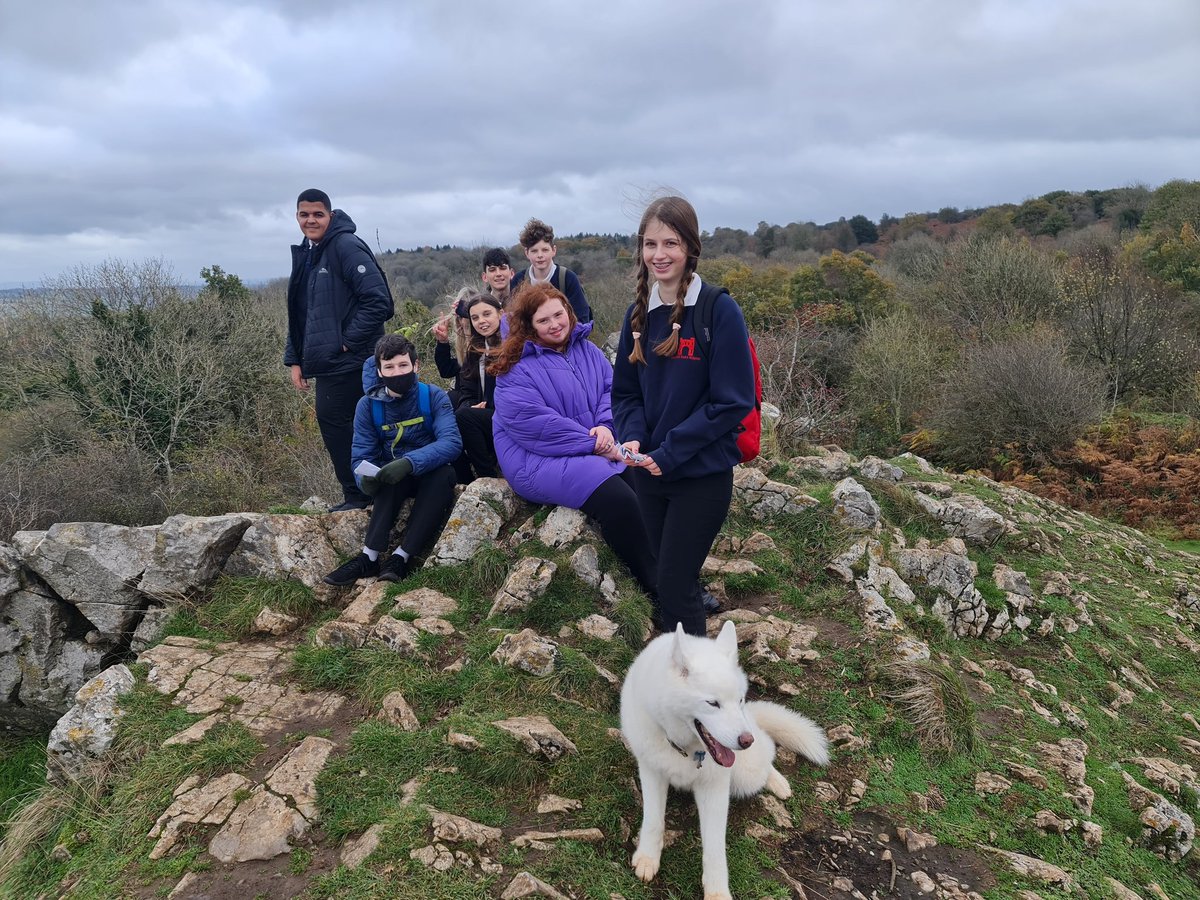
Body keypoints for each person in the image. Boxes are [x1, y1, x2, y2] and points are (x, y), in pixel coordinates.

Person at [611, 196, 756, 636]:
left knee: (673, 584)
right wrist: (634, 436)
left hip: (701, 475)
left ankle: (699, 695)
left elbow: (733, 401)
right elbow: (625, 392)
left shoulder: (718, 310)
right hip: (648, 475)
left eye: (670, 243)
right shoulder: (637, 316)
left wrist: (671, 451)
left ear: (691, 246)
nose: (659, 254)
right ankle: (689, 680)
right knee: (672, 582)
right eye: (650, 244)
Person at [490, 283, 656, 596]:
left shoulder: (588, 350)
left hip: (595, 446)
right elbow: (534, 424)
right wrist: (595, 443)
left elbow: (612, 391)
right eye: (543, 320)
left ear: (569, 311)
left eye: (558, 314)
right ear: (529, 325)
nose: (554, 324)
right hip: (537, 458)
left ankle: (676, 571)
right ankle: (656, 584)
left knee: (645, 483)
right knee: (620, 501)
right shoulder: (514, 367)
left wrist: (607, 427)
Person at [285, 188, 394, 512]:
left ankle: (367, 496)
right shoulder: (310, 253)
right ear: (297, 217)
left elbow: (379, 302)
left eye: (317, 214)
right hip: (330, 363)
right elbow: (302, 313)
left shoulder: (345, 246)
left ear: (330, 216)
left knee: (360, 428)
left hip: (354, 360)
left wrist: (344, 341)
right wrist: (294, 359)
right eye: (304, 214)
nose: (311, 220)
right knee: (336, 427)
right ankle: (358, 496)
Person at [323, 334, 461, 586]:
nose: (397, 372)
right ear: (379, 370)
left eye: (403, 365)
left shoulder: (433, 396)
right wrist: (365, 481)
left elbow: (451, 442)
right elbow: (361, 454)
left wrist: (410, 462)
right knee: (385, 477)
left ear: (416, 366)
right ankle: (369, 557)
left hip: (430, 470)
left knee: (443, 476)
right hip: (394, 476)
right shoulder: (367, 406)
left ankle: (402, 557)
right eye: (389, 367)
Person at [434, 291, 503, 478]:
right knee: (448, 422)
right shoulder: (475, 349)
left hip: (511, 415)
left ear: (500, 313)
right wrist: (469, 405)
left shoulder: (512, 345)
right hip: (487, 415)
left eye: (487, 314)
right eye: (475, 317)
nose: (481, 321)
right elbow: (467, 388)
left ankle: (486, 477)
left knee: (464, 417)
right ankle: (464, 478)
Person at [509, 218, 592, 323]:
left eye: (545, 250)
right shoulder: (518, 280)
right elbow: (514, 320)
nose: (540, 255)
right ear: (526, 253)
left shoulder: (567, 278)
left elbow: (582, 319)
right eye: (534, 251)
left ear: (553, 250)